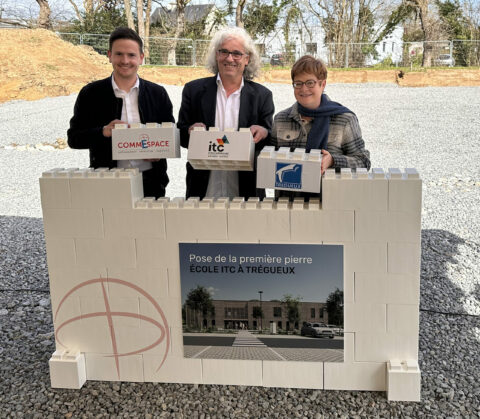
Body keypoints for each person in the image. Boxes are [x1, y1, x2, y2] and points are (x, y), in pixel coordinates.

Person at [67, 27, 174, 198]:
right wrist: (103, 132)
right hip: (107, 181)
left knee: (148, 225)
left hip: (150, 181)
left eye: (131, 55)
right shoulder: (91, 93)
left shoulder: (157, 93)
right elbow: (74, 139)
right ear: (109, 55)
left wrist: (160, 152)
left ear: (141, 58)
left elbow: (170, 134)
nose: (125, 60)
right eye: (119, 54)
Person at [178, 27, 274, 199]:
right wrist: (189, 130)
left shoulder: (262, 96)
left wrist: (264, 132)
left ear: (247, 59)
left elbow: (270, 141)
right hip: (203, 188)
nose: (230, 58)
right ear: (216, 55)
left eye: (237, 53)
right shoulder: (193, 91)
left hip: (245, 189)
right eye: (224, 52)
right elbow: (181, 137)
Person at [270, 55, 371, 199]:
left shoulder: (344, 119)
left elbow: (363, 162)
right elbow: (269, 159)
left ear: (322, 84)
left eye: (310, 83)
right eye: (298, 83)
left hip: (330, 204)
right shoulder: (281, 119)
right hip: (288, 204)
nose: (304, 89)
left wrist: (333, 161)